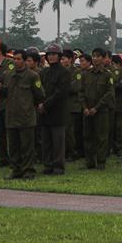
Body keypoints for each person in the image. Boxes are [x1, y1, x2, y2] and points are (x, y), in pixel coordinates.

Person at [0, 50, 45, 180]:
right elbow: (4, 93)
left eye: (19, 59)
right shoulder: (8, 75)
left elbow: (39, 95)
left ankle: (28, 170)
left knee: (27, 146)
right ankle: (16, 170)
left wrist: (29, 106)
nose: (16, 61)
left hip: (26, 117)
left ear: (24, 60)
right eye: (15, 59)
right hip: (11, 116)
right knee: (13, 146)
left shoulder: (32, 76)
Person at [38, 44, 71, 175]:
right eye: (49, 54)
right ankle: (47, 165)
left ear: (59, 56)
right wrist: (40, 103)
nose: (51, 56)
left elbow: (60, 93)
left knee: (58, 142)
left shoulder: (64, 72)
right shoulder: (44, 72)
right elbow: (39, 90)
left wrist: (45, 105)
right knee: (45, 141)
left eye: (54, 54)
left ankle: (58, 167)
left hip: (57, 112)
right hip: (44, 112)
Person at [81, 48, 115, 170]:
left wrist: (97, 107)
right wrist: (84, 107)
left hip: (101, 111)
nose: (95, 58)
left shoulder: (107, 75)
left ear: (104, 58)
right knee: (87, 136)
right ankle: (89, 162)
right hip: (87, 110)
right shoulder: (85, 74)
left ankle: (101, 162)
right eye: (94, 56)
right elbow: (81, 92)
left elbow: (109, 93)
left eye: (98, 56)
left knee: (102, 137)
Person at [64, 50, 84, 161]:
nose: (62, 61)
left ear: (70, 59)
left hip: (72, 106)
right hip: (62, 106)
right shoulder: (61, 71)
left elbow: (75, 87)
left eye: (64, 58)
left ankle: (72, 152)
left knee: (70, 131)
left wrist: (62, 86)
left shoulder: (76, 72)